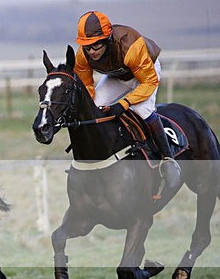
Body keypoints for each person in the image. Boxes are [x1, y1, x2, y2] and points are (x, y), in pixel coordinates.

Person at [73, 11, 180, 191]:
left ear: (107, 38)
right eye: (87, 46)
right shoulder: (82, 55)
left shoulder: (131, 45)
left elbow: (149, 82)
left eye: (96, 44)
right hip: (118, 75)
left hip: (146, 74)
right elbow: (86, 86)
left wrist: (123, 104)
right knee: (96, 108)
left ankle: (168, 160)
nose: (92, 51)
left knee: (142, 111)